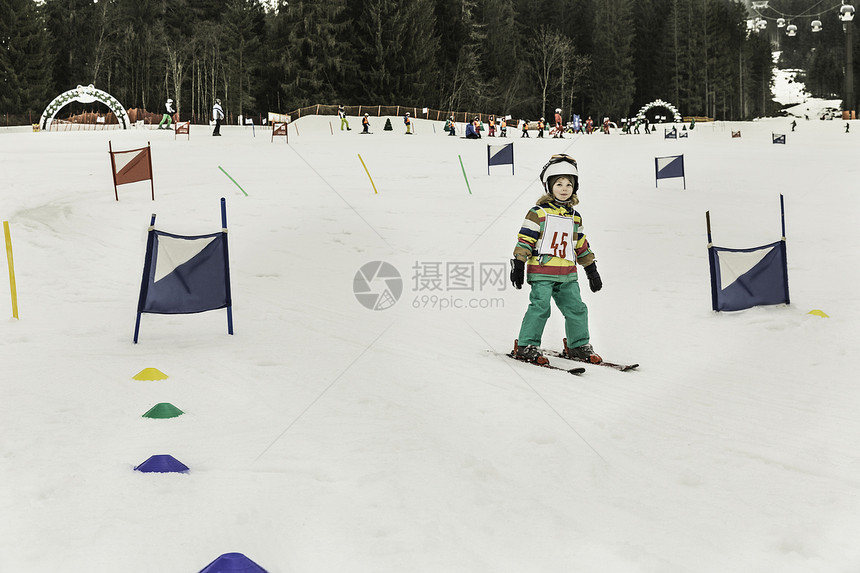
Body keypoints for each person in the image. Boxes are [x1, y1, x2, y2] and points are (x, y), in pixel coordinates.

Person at [509, 153, 603, 365]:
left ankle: (578, 345)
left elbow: (580, 245)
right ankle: (527, 345)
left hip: (568, 275)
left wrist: (591, 270)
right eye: (558, 183)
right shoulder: (538, 213)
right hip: (542, 273)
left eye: (569, 184)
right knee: (541, 307)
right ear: (549, 187)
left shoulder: (574, 217)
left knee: (577, 308)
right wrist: (518, 264)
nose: (564, 188)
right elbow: (525, 240)